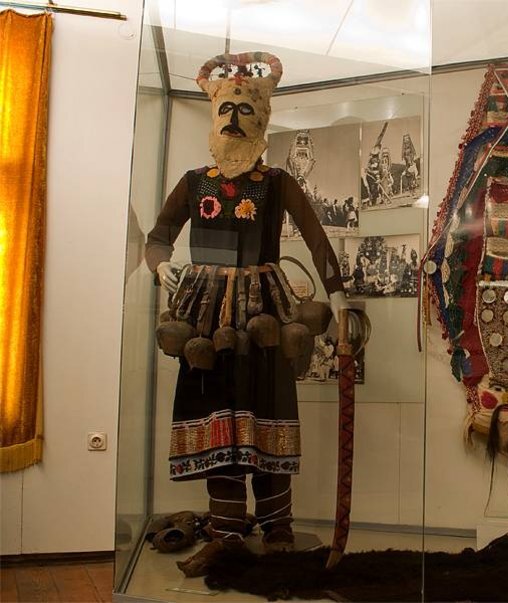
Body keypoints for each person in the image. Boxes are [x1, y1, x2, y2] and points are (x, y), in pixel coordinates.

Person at [145, 52, 351, 577]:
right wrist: (161, 265)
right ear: (215, 120)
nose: (234, 119)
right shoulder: (195, 182)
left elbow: (316, 237)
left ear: (261, 122)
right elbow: (158, 236)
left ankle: (278, 527)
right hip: (206, 315)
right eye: (226, 110)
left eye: (246, 111)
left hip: (265, 311)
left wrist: (339, 295)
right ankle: (226, 532)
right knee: (217, 411)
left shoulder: (277, 181)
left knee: (268, 411)